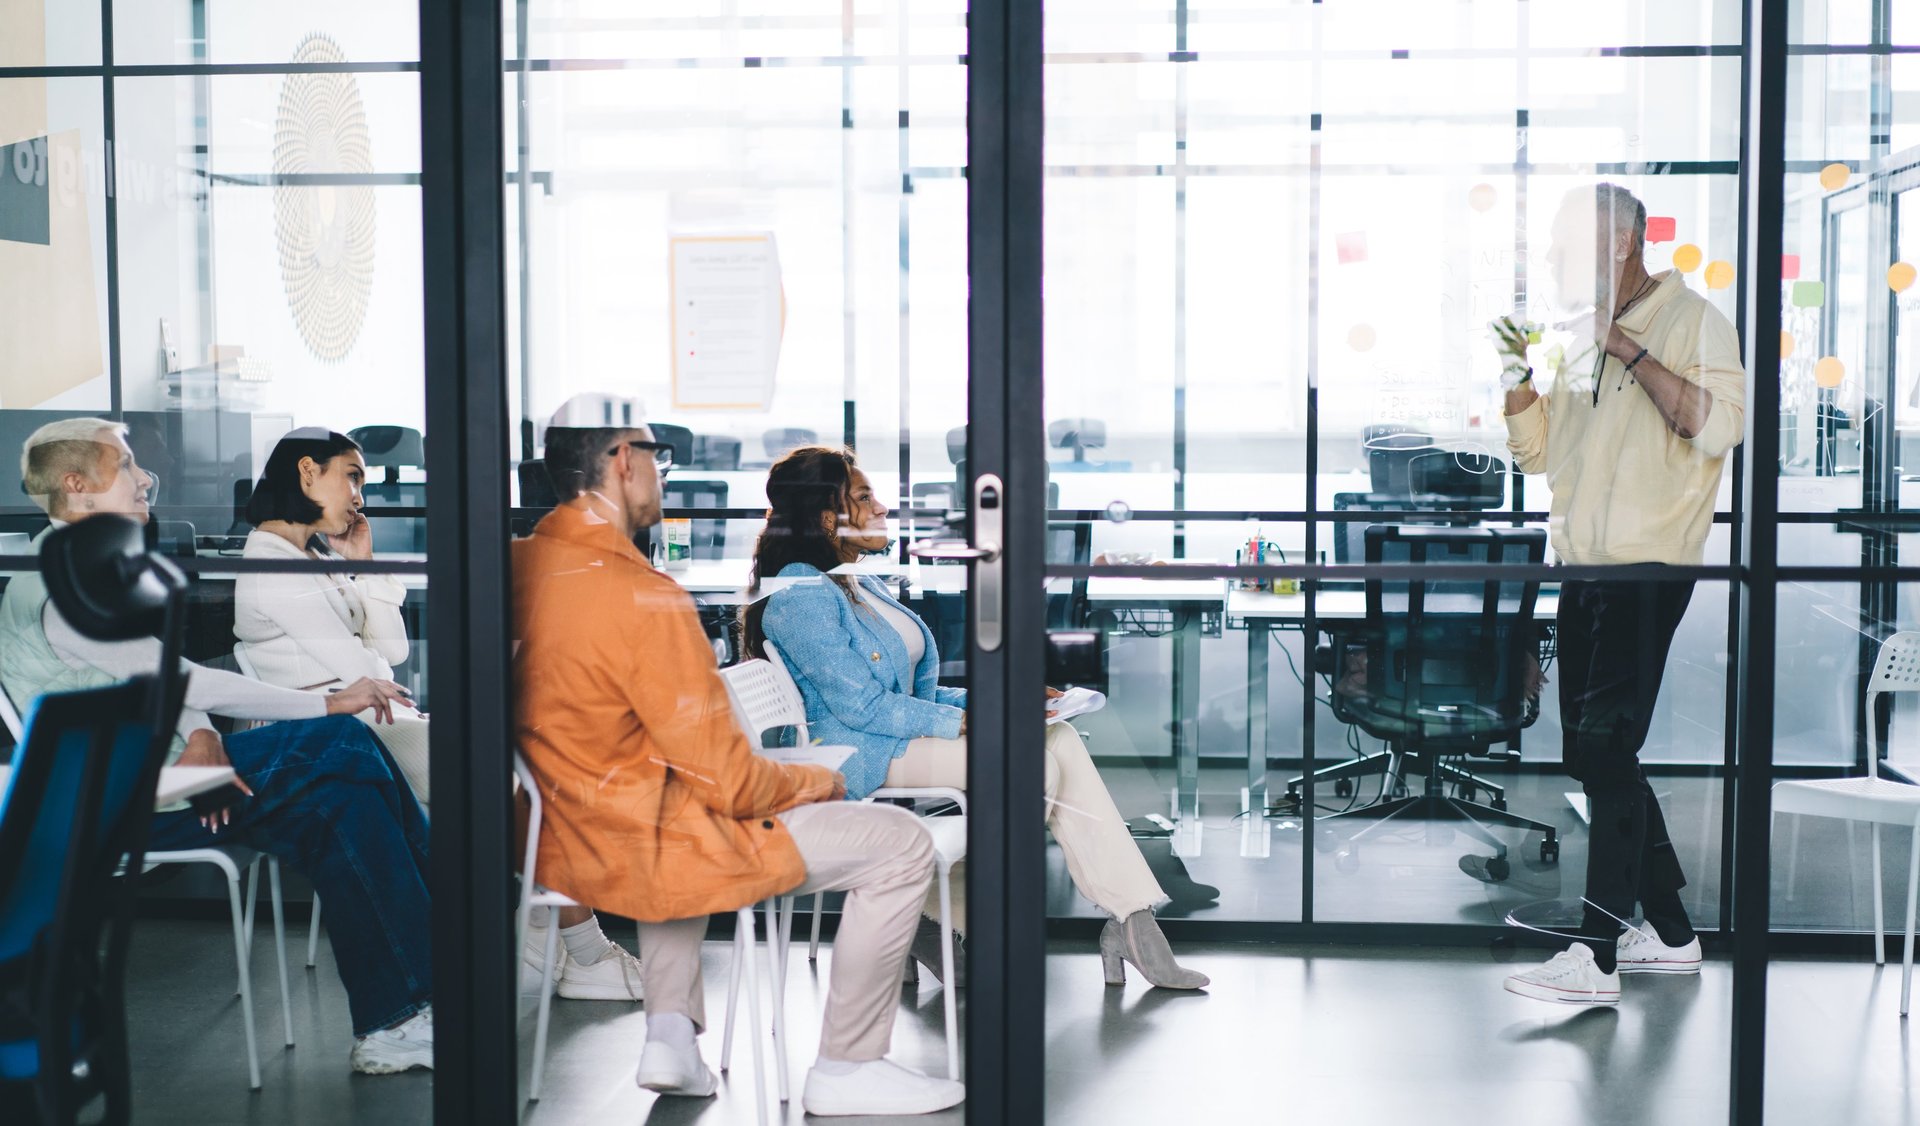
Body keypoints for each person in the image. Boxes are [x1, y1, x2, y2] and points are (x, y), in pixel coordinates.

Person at [511, 424, 965, 1117]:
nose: (663, 476)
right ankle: (849, 1065)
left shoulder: (516, 569)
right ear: (624, 463)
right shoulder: (644, 598)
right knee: (898, 844)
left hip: (558, 832)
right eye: (658, 461)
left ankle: (671, 1035)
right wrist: (820, 780)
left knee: (673, 813)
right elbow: (735, 784)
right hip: (642, 840)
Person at [0, 418, 434, 1073]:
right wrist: (329, 701)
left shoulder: (80, 570)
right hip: (126, 801)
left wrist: (201, 732)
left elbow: (165, 680)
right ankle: (443, 965)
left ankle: (397, 1021)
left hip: (164, 777)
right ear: (76, 487)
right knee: (341, 740)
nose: (145, 477)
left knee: (341, 805)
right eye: (125, 465)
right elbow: (184, 679)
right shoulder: (63, 588)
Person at [746, 446, 1208, 991]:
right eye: (865, 497)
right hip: (862, 749)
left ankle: (1130, 922)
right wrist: (969, 724)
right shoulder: (802, 594)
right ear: (827, 515)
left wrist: (1002, 699)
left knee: (1055, 734)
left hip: (895, 734)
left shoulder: (855, 581)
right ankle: (933, 917)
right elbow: (861, 707)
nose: (883, 509)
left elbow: (914, 690)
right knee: (1031, 771)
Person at [235, 429, 642, 1002]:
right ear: (307, 472)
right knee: (529, 771)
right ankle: (575, 943)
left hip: (372, 723)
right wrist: (369, 657)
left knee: (534, 769)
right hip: (331, 736)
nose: (360, 496)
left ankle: (560, 929)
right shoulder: (272, 566)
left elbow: (391, 654)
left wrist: (366, 568)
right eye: (351, 476)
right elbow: (365, 665)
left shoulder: (311, 558)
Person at [1497, 184, 1746, 1004]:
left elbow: (1713, 427)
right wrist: (1518, 381)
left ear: (1621, 241)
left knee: (1605, 751)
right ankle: (1671, 936)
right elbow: (1539, 457)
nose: (1552, 259)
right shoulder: (1575, 338)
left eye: (1565, 242)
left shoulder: (1694, 322)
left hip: (1647, 570)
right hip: (1586, 567)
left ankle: (1597, 956)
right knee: (1597, 753)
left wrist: (1625, 347)